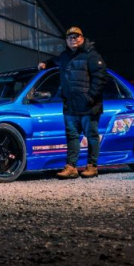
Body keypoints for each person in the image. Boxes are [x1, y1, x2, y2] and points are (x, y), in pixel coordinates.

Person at [38, 26, 107, 179]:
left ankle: (92, 166)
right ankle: (71, 167)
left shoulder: (92, 55)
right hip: (70, 105)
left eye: (76, 37)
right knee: (72, 136)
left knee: (91, 135)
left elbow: (101, 78)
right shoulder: (64, 56)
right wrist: (45, 64)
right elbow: (55, 61)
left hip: (88, 105)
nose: (73, 40)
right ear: (66, 41)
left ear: (82, 38)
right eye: (70, 38)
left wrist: (90, 98)